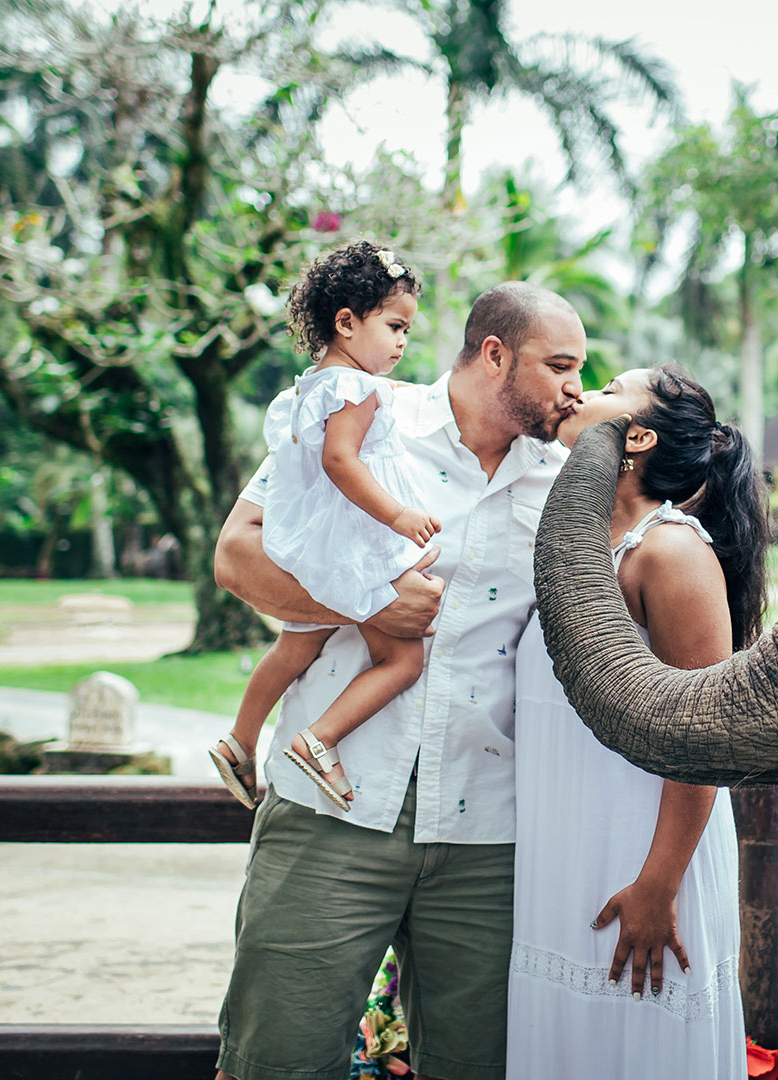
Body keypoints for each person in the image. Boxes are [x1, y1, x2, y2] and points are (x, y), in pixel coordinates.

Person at [211, 281, 587, 1080]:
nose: (574, 386)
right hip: (332, 813)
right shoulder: (363, 417)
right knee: (276, 1059)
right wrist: (366, 598)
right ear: (494, 355)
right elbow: (236, 552)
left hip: (491, 834)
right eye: (558, 365)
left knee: (482, 1067)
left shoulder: (564, 482)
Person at [507, 364, 769, 1077]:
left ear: (638, 435)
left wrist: (659, 886)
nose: (580, 393)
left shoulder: (671, 551)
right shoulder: (574, 545)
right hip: (565, 856)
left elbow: (707, 735)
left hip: (644, 860)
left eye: (608, 389)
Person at [209, 240, 436, 812]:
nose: (403, 342)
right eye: (394, 326)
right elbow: (341, 460)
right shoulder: (355, 389)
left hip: (308, 541)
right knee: (404, 659)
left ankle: (239, 738)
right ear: (346, 322)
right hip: (350, 542)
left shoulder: (313, 385)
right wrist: (398, 515)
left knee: (294, 646)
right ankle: (320, 739)